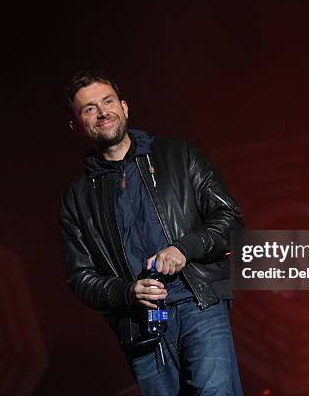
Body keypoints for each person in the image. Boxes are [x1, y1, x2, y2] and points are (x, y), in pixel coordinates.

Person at [59, 70, 244, 395]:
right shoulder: (77, 198)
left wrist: (184, 248)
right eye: (89, 108)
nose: (102, 112)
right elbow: (80, 278)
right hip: (139, 327)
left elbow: (230, 219)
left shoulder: (179, 156)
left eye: (108, 101)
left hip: (198, 303)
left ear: (125, 107)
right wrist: (127, 292)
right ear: (77, 126)